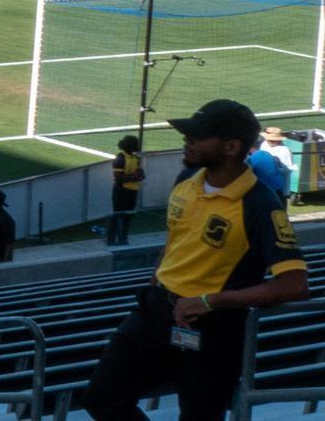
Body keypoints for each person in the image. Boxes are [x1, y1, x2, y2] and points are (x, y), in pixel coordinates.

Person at [81, 99, 309, 421]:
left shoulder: (260, 205)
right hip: (155, 311)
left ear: (231, 146)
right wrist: (160, 273)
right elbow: (177, 236)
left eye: (198, 136)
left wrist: (209, 300)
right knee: (101, 398)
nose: (187, 140)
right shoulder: (186, 180)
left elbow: (295, 285)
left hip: (211, 329)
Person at [110, 135, 146, 246]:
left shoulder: (136, 159)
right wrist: (134, 177)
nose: (138, 146)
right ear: (130, 145)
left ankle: (123, 238)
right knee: (119, 216)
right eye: (136, 143)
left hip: (132, 192)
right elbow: (119, 179)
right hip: (121, 192)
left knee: (128, 217)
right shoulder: (120, 159)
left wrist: (135, 176)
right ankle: (112, 240)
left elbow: (142, 175)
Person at [261, 129, 298, 204]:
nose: (269, 141)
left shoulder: (285, 151)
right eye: (269, 139)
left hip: (279, 188)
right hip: (266, 185)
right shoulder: (264, 144)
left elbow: (287, 170)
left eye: (272, 140)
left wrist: (273, 169)